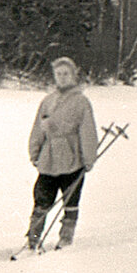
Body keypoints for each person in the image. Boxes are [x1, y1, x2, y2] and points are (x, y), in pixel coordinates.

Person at [26, 57, 98, 251]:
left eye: (66, 74)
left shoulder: (81, 102)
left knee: (71, 199)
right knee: (41, 198)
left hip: (72, 158)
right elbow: (38, 129)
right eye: (59, 74)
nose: (62, 77)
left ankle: (66, 238)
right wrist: (34, 151)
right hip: (48, 159)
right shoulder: (48, 101)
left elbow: (88, 131)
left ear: (73, 75)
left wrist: (89, 157)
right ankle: (33, 238)